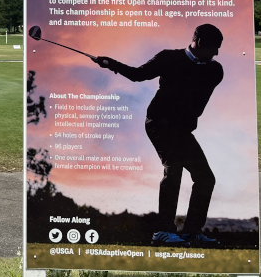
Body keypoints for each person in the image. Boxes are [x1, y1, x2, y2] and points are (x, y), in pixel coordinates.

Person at [93, 24, 224, 248]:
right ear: (200, 42)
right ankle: (162, 231)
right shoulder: (169, 58)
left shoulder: (214, 71)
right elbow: (138, 75)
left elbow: (194, 95)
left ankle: (192, 233)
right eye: (214, 48)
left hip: (181, 131)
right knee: (174, 169)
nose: (217, 53)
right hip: (159, 125)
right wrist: (112, 64)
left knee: (205, 178)